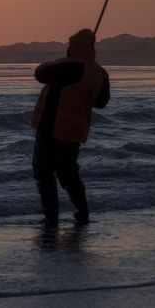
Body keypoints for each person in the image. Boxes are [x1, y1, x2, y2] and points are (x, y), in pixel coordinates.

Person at [31, 28, 110, 228]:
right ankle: (82, 212)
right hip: (75, 130)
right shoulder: (100, 72)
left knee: (44, 171)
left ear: (75, 46)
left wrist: (64, 61)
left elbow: (40, 73)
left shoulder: (70, 66)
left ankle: (51, 218)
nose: (68, 47)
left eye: (70, 44)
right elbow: (101, 102)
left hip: (53, 127)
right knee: (68, 173)